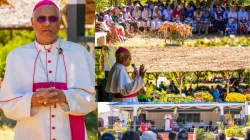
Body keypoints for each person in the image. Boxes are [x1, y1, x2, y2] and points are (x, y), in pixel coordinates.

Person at [0, 1, 96, 140]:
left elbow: (93, 98)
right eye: (41, 18)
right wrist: (31, 100)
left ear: (60, 22)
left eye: (53, 18)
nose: (47, 23)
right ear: (32, 22)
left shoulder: (79, 53)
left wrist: (65, 97)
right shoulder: (16, 57)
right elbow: (7, 104)